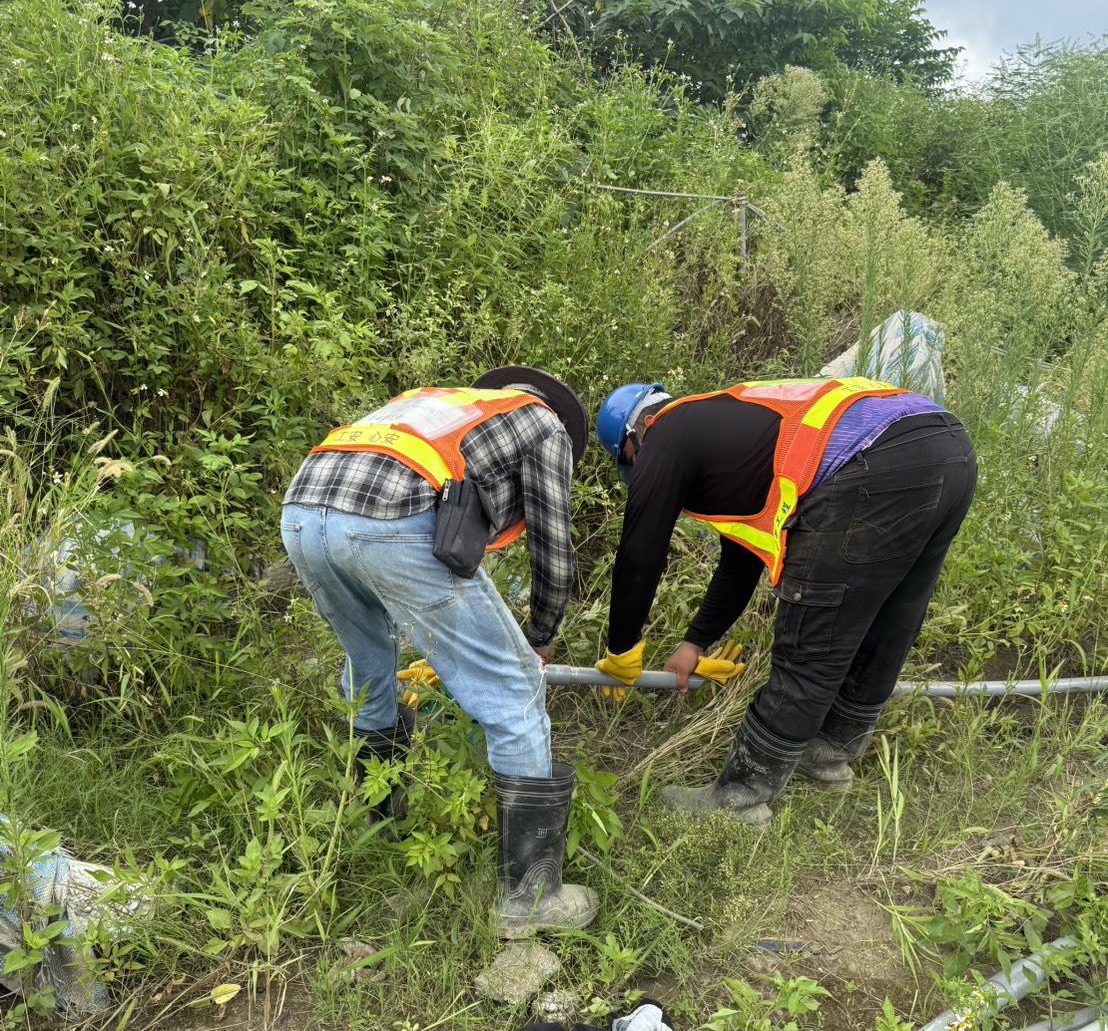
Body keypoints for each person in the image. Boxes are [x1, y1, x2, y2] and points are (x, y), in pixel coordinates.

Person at [281, 367, 599, 937]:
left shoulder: (439, 404)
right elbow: (553, 546)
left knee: (369, 665)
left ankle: (383, 825)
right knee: (515, 691)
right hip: (388, 523)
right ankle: (530, 901)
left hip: (302, 512)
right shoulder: (545, 425)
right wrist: (540, 637)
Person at [593, 377, 977, 824]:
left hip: (871, 463)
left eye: (631, 461)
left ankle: (740, 797)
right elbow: (741, 560)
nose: (639, 470)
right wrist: (695, 642)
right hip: (947, 446)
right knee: (892, 616)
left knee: (812, 640)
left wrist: (621, 648)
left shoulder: (664, 433)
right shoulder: (731, 428)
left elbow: (640, 553)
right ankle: (829, 755)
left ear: (636, 435)